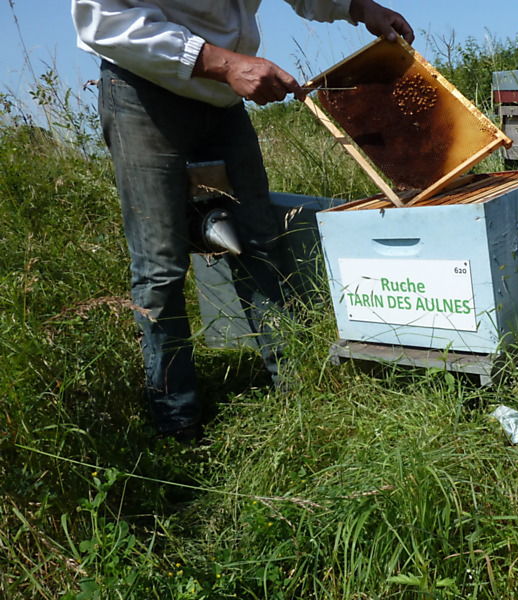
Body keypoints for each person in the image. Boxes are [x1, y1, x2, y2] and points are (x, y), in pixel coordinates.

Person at [70, 0, 414, 442]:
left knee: (260, 242)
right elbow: (105, 20)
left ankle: (298, 390)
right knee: (160, 266)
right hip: (144, 91)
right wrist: (227, 63)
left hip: (224, 101)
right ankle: (178, 422)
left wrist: (358, 7)